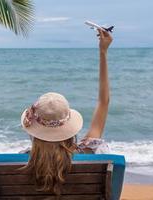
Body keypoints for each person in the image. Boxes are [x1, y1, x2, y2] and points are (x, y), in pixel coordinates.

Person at [19, 29, 113, 194]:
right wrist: (103, 52)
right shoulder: (89, 151)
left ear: (33, 127)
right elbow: (103, 102)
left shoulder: (21, 162)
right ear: (69, 126)